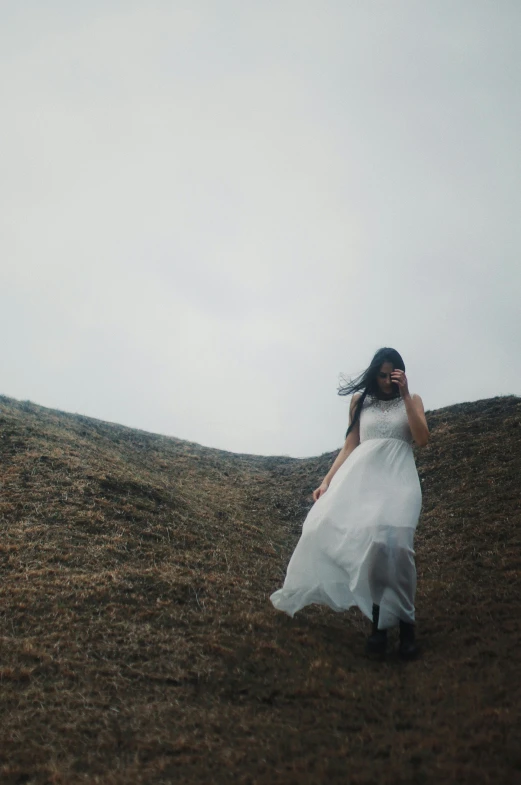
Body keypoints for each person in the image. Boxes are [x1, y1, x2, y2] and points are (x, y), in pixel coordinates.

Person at [270, 347, 429, 659]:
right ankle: (379, 629)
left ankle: (407, 626)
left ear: (400, 373)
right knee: (376, 551)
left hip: (401, 483)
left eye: (391, 375)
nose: (386, 380)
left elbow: (422, 438)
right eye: (381, 375)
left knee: (399, 550)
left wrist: (406, 393)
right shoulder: (361, 402)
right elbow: (350, 445)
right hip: (367, 484)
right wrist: (327, 481)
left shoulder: (412, 400)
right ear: (374, 374)